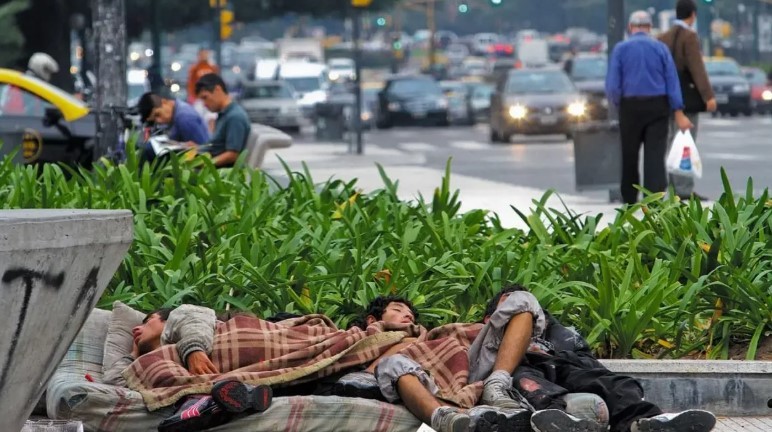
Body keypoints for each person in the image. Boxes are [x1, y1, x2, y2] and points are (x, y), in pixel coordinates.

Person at [476, 286, 717, 432]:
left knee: (617, 383)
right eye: (507, 306)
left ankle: (646, 422)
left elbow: (584, 357)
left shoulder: (554, 331)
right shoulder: (484, 333)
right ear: (490, 317)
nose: (518, 311)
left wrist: (559, 353)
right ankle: (564, 423)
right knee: (532, 385)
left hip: (559, 363)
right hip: (523, 369)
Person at [605, 11, 694, 205]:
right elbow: (672, 81)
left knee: (629, 154)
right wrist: (677, 108)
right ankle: (653, 198)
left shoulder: (621, 49)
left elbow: (612, 86)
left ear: (630, 27)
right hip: (657, 106)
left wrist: (618, 104)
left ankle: (629, 197)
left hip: (630, 106)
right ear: (649, 27)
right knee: (655, 154)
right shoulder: (660, 49)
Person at [658, 0, 717, 201]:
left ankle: (672, 186)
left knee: (670, 143)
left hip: (666, 97)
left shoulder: (663, 37)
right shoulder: (689, 37)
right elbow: (697, 68)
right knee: (686, 142)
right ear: (693, 15)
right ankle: (684, 189)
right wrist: (708, 96)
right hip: (686, 99)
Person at [192, 73, 251, 168]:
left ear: (217, 90)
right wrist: (197, 148)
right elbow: (217, 146)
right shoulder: (224, 114)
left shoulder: (234, 117)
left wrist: (203, 164)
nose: (204, 104)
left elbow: (232, 155)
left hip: (220, 173)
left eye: (205, 97)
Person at [136, 92, 211, 164]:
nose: (159, 121)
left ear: (164, 102)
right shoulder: (175, 113)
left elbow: (202, 150)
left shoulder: (184, 117)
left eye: (157, 115)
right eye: (154, 120)